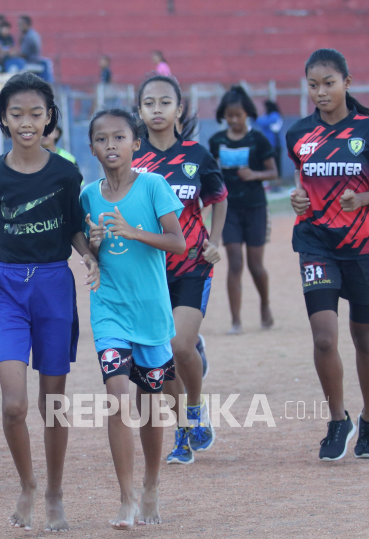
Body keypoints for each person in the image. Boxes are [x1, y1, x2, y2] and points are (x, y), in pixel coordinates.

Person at [0, 72, 100, 532]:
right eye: (16, 114)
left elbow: (74, 230)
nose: (27, 122)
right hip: (6, 289)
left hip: (53, 286)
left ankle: (55, 492)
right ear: (3, 119)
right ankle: (26, 484)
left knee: (53, 403)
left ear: (50, 119)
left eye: (36, 114)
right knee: (13, 405)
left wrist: (89, 257)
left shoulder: (66, 173)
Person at [288, 48, 369, 461]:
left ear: (347, 84)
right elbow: (303, 183)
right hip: (316, 243)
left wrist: (365, 199)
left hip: (365, 246)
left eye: (328, 83)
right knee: (323, 338)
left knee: (364, 336)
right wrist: (299, 200)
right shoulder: (298, 134)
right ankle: (339, 420)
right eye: (313, 85)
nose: (320, 92)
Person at [81, 108, 185, 528]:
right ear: (91, 147)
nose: (111, 145)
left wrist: (131, 230)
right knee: (118, 397)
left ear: (135, 143)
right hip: (109, 310)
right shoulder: (88, 195)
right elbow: (87, 247)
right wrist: (90, 248)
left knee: (148, 405)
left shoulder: (155, 186)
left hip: (152, 314)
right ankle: (125, 498)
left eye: (119, 138)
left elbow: (177, 243)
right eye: (102, 139)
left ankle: (151, 486)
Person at [132, 75, 228, 465]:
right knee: (161, 360)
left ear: (179, 109)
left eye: (164, 102)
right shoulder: (131, 159)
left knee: (178, 346)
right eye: (149, 103)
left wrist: (215, 240)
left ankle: (195, 409)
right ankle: (183, 430)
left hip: (191, 265)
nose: (157, 109)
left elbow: (219, 198)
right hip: (148, 273)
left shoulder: (197, 156)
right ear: (139, 111)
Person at [209, 86, 277, 335]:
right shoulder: (217, 141)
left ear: (247, 114)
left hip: (256, 208)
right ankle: (236, 320)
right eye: (230, 116)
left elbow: (274, 173)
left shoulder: (258, 139)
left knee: (255, 265)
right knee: (235, 262)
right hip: (230, 211)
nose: (234, 120)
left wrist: (254, 175)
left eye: (238, 115)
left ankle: (265, 305)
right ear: (223, 116)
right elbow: (211, 172)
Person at [255, 100, 284, 177]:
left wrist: (254, 117)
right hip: (267, 144)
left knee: (276, 164)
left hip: (275, 144)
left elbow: (263, 122)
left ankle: (277, 182)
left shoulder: (275, 115)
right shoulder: (266, 115)